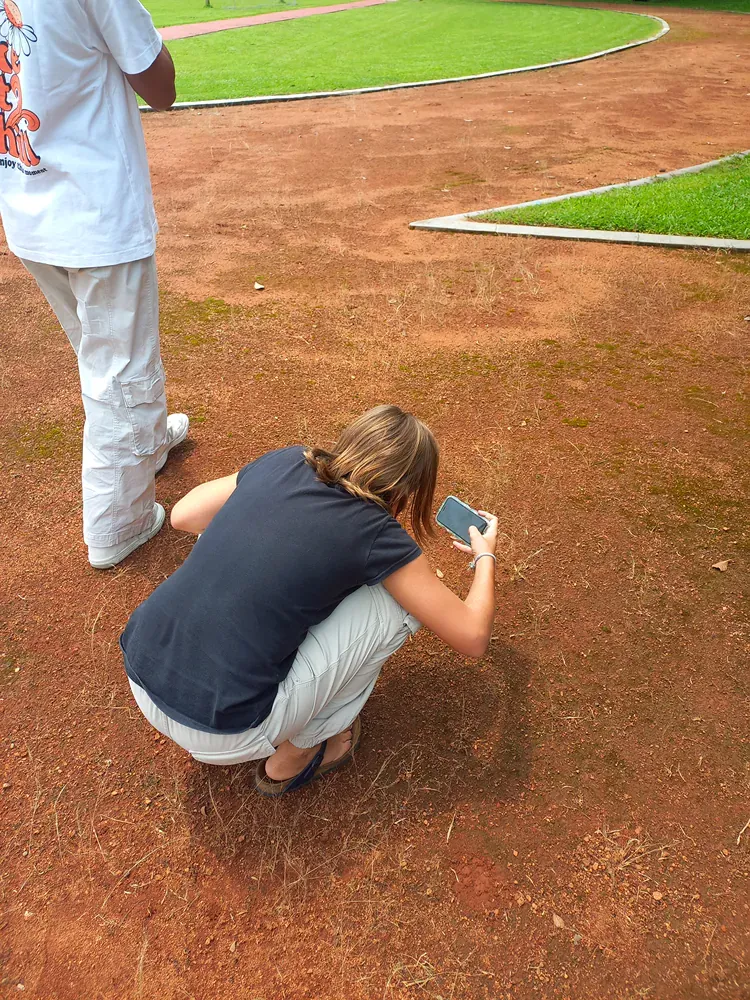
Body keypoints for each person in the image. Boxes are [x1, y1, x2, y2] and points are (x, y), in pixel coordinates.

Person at [120, 405, 498, 797]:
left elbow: (184, 515)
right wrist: (485, 556)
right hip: (224, 730)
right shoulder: (376, 532)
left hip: (140, 671)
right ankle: (297, 756)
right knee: (394, 607)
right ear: (407, 488)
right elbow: (472, 636)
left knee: (238, 542)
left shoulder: (288, 461)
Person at [0, 0, 188, 569]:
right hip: (96, 212)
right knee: (118, 371)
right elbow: (161, 87)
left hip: (27, 201)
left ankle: (146, 444)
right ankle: (118, 523)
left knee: (99, 349)